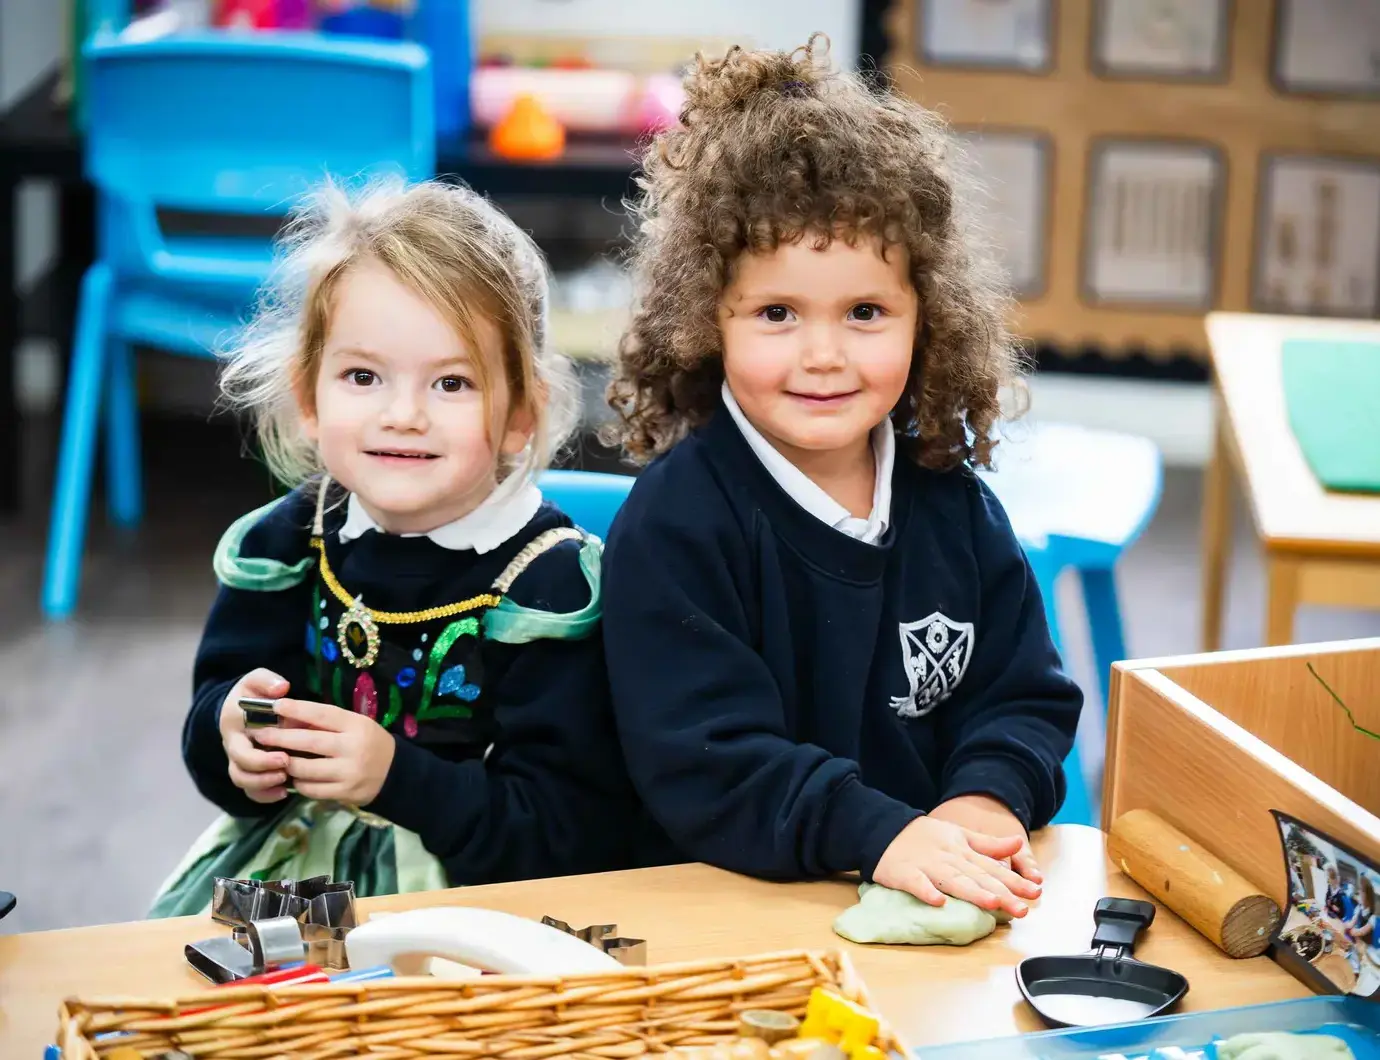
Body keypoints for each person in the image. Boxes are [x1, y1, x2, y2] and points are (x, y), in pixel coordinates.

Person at [601, 36, 1082, 918]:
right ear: (710, 318)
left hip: (923, 898)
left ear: (926, 317)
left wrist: (985, 795)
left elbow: (1024, 695)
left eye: (865, 312)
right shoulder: (675, 525)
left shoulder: (953, 504)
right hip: (719, 916)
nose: (823, 355)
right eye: (777, 313)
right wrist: (882, 833)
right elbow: (710, 761)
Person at [151, 178, 666, 916]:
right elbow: (213, 738)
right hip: (288, 881)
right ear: (308, 398)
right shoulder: (289, 543)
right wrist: (231, 734)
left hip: (476, 912)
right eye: (363, 376)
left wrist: (395, 777)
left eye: (451, 383)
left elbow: (563, 836)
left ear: (521, 415)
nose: (402, 415)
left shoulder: (547, 592)